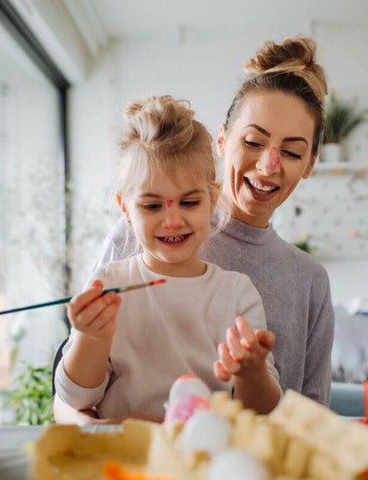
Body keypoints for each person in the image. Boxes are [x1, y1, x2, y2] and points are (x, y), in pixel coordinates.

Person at [54, 35, 334, 425]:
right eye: (253, 141)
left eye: (291, 151)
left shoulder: (305, 281)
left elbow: (312, 419)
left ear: (309, 163)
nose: (270, 165)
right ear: (222, 139)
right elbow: (70, 399)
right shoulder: (137, 234)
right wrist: (108, 433)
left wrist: (249, 372)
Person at [54, 95, 281, 423]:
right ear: (125, 209)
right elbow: (75, 398)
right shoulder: (109, 285)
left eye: (189, 203)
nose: (172, 221)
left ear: (211, 200)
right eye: (152, 206)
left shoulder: (236, 293)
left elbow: (265, 412)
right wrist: (92, 338)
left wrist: (251, 371)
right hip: (124, 460)